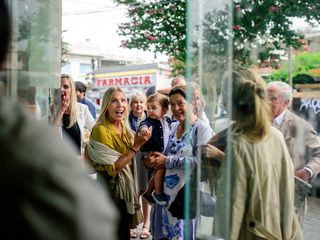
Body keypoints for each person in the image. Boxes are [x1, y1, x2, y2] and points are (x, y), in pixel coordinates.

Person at [0, 0, 118, 239]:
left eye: (67, 87)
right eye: (59, 87)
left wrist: (82, 158)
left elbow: (94, 138)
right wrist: (56, 115)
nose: (63, 91)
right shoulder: (41, 120)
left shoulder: (84, 112)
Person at [210, 68, 302, 239]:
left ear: (229, 102)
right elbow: (287, 198)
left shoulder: (239, 144)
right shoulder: (276, 136)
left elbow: (230, 214)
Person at [145, 85, 213, 240]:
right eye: (172, 104)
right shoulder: (172, 126)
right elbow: (161, 155)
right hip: (164, 199)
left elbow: (201, 163)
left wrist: (167, 161)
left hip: (183, 201)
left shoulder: (201, 129)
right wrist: (152, 161)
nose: (176, 108)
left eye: (180, 103)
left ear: (192, 103)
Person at [86, 87, 152, 240]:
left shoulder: (123, 126)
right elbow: (113, 168)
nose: (120, 105)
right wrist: (136, 146)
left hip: (123, 191)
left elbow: (131, 155)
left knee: (122, 233)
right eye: (114, 101)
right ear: (106, 106)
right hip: (110, 191)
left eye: (123, 100)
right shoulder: (101, 130)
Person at [266, 80, 320, 223]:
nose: (266, 102)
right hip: (263, 195)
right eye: (264, 97)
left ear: (286, 103)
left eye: (273, 98)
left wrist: (307, 171)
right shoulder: (258, 123)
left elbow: (319, 153)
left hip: (289, 198)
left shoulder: (300, 126)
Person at [139, 93, 171, 206]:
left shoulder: (167, 121)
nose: (150, 111)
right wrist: (144, 130)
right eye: (148, 108)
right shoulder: (149, 121)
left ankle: (148, 193)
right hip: (152, 152)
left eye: (154, 108)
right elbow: (143, 124)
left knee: (157, 172)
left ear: (165, 110)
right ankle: (158, 192)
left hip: (161, 153)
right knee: (161, 169)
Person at [50, 74, 95, 155]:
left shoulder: (83, 109)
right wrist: (62, 110)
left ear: (72, 90)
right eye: (59, 87)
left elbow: (96, 130)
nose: (62, 89)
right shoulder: (51, 109)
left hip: (79, 161)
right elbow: (51, 136)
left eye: (66, 87)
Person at [128, 91, 150, 239]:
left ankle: (146, 225)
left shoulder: (149, 119)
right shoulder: (125, 119)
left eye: (141, 102)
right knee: (133, 192)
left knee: (146, 192)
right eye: (136, 102)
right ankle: (133, 224)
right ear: (130, 105)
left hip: (145, 159)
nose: (139, 105)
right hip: (131, 158)